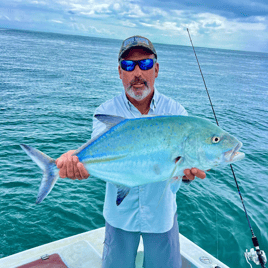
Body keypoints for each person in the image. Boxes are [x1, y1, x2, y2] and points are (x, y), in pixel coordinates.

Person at [56, 36, 207, 268]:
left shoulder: (176, 112)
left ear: (156, 69)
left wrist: (186, 174)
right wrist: (77, 162)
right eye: (129, 65)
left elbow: (180, 165)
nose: (137, 72)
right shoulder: (106, 111)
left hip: (161, 217)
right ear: (120, 72)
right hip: (120, 216)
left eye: (145, 64)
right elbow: (97, 148)